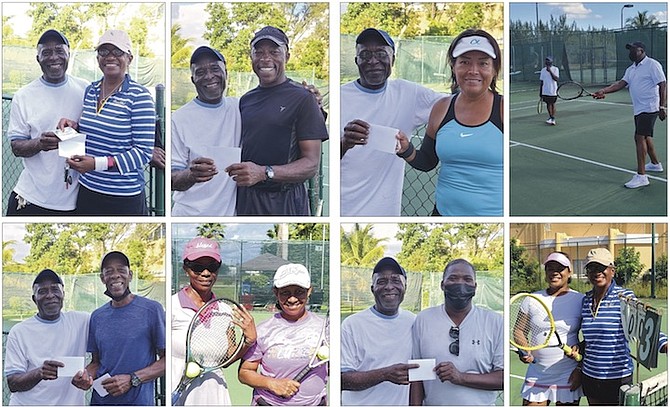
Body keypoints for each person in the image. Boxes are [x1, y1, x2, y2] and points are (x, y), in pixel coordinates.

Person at [397, 29, 503, 216]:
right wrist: (406, 149)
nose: (473, 70)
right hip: (442, 214)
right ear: (454, 67)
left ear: (494, 70)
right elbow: (428, 161)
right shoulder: (442, 108)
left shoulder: (503, 110)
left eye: (483, 63)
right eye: (464, 62)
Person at [225, 26, 329, 216]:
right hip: (247, 199)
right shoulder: (245, 100)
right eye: (259, 52)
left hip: (286, 201)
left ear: (287, 56)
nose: (265, 58)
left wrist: (264, 173)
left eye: (274, 51)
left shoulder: (303, 98)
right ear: (251, 57)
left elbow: (311, 164)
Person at [340, 28, 443, 216]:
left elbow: (453, 105)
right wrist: (344, 143)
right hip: (343, 209)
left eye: (381, 53)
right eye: (365, 55)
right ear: (357, 61)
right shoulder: (341, 97)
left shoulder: (409, 94)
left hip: (386, 212)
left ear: (393, 59)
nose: (373, 61)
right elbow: (316, 159)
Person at [59, 29, 155, 214]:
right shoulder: (91, 90)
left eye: (117, 51)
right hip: (87, 190)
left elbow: (143, 153)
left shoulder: (140, 97)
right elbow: (93, 130)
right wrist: (73, 127)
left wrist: (97, 164)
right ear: (98, 59)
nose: (110, 57)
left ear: (129, 58)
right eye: (104, 51)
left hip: (123, 198)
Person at [6, 29, 88, 215]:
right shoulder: (23, 96)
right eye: (46, 52)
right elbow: (16, 147)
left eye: (59, 51)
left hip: (73, 201)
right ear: (38, 58)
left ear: (68, 53)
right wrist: (40, 143)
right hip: (30, 197)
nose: (54, 57)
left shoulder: (85, 89)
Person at [71, 251, 166, 405]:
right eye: (109, 271)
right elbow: (96, 363)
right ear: (103, 278)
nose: (115, 275)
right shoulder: (97, 316)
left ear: (130, 275)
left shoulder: (152, 310)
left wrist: (133, 379)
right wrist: (85, 376)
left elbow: (166, 361)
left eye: (121, 270)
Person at [172, 236, 257, 405]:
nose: (205, 273)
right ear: (186, 269)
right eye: (197, 267)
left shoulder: (226, 310)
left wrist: (248, 341)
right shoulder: (171, 308)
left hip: (215, 397)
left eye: (212, 267)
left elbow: (226, 360)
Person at [579, 248, 667, 406]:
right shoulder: (585, 300)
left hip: (618, 378)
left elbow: (643, 327)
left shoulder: (624, 298)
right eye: (592, 268)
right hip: (590, 376)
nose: (596, 272)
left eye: (601, 267)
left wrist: (664, 344)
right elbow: (589, 339)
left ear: (612, 271)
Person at [410, 259, 503, 406]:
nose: (460, 284)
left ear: (475, 287)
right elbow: (417, 376)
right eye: (453, 278)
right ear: (442, 285)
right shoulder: (423, 319)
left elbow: (502, 379)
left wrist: (460, 377)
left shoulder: (495, 322)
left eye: (467, 279)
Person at [238, 263, 328, 405]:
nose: (292, 299)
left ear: (309, 291)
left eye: (299, 292)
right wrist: (272, 384)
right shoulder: (263, 330)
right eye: (285, 292)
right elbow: (245, 373)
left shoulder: (326, 328)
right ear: (276, 292)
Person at [171, 46, 241, 216]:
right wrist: (191, 175)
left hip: (229, 218)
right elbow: (172, 179)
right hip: (188, 216)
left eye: (215, 69)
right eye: (200, 72)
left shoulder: (240, 107)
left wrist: (310, 98)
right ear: (193, 79)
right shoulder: (179, 119)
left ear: (226, 72)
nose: (209, 76)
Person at [4, 269, 90, 405]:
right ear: (34, 299)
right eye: (42, 291)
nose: (50, 295)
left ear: (63, 294)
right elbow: (13, 383)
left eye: (55, 289)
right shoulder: (19, 332)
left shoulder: (82, 321)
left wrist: (89, 375)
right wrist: (39, 373)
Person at [341, 257, 418, 405]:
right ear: (372, 289)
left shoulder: (414, 322)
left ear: (405, 287)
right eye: (382, 281)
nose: (389, 287)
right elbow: (342, 379)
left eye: (396, 280)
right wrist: (385, 374)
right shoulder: (352, 325)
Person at [593, 41, 666, 189]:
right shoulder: (631, 69)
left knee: (639, 137)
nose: (630, 53)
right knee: (646, 136)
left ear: (641, 50)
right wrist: (603, 91)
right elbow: (621, 84)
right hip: (639, 108)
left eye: (632, 50)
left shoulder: (652, 64)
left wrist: (663, 106)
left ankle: (641, 176)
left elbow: (663, 84)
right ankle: (655, 164)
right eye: (629, 50)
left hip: (650, 107)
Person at [516, 252, 583, 406]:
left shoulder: (580, 300)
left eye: (560, 268)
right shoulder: (531, 299)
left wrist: (580, 367)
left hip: (568, 372)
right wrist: (526, 350)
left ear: (569, 271)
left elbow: (590, 338)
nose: (554, 272)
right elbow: (519, 330)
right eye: (550, 268)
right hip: (537, 372)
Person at [540, 56, 559, 125]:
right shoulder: (542, 70)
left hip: (553, 90)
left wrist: (550, 71)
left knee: (553, 104)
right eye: (546, 61)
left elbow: (556, 79)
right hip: (545, 91)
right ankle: (550, 117)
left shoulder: (555, 69)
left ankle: (553, 118)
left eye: (548, 61)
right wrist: (540, 92)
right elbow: (541, 82)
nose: (547, 62)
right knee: (548, 104)